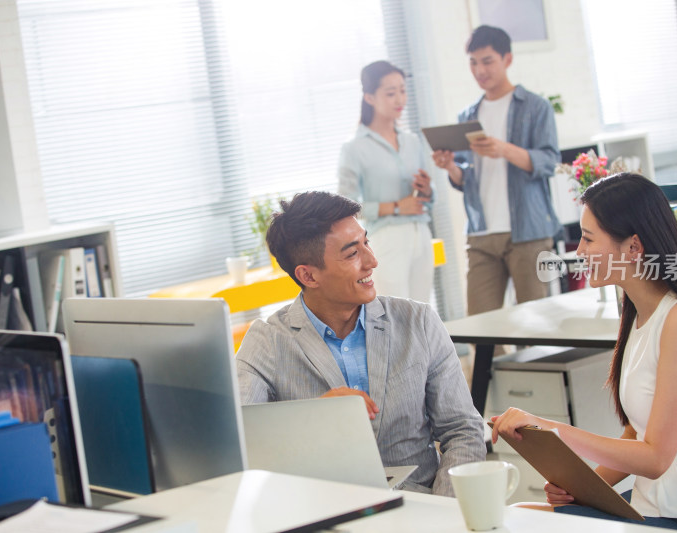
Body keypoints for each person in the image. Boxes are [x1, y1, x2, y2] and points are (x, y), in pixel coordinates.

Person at [491, 173, 677, 531]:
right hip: (657, 504)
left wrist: (551, 429)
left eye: (587, 238)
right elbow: (636, 435)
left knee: (525, 522)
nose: (579, 252)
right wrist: (584, 488)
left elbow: (656, 458)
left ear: (633, 247)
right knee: (522, 514)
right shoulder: (638, 313)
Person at [236, 191, 485, 497]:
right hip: (323, 513)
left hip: (421, 508)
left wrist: (445, 513)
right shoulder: (267, 341)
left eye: (366, 242)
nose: (372, 261)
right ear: (308, 276)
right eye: (352, 253)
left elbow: (462, 429)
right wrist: (311, 419)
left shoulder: (418, 321)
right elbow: (241, 443)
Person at [432, 25, 561, 318]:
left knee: (538, 324)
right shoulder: (468, 116)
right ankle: (495, 368)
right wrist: (450, 166)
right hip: (481, 233)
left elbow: (550, 162)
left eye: (487, 61)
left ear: (508, 59)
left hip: (528, 232)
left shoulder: (535, 107)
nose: (480, 70)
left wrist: (504, 149)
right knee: (481, 325)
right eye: (473, 62)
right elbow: (466, 179)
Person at [338, 60, 434, 302]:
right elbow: (345, 206)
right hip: (386, 238)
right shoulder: (354, 147)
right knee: (393, 319)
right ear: (369, 97)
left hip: (421, 234)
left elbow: (430, 200)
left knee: (422, 317)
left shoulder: (412, 141)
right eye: (391, 93)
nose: (400, 99)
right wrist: (397, 207)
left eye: (402, 91)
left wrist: (426, 191)